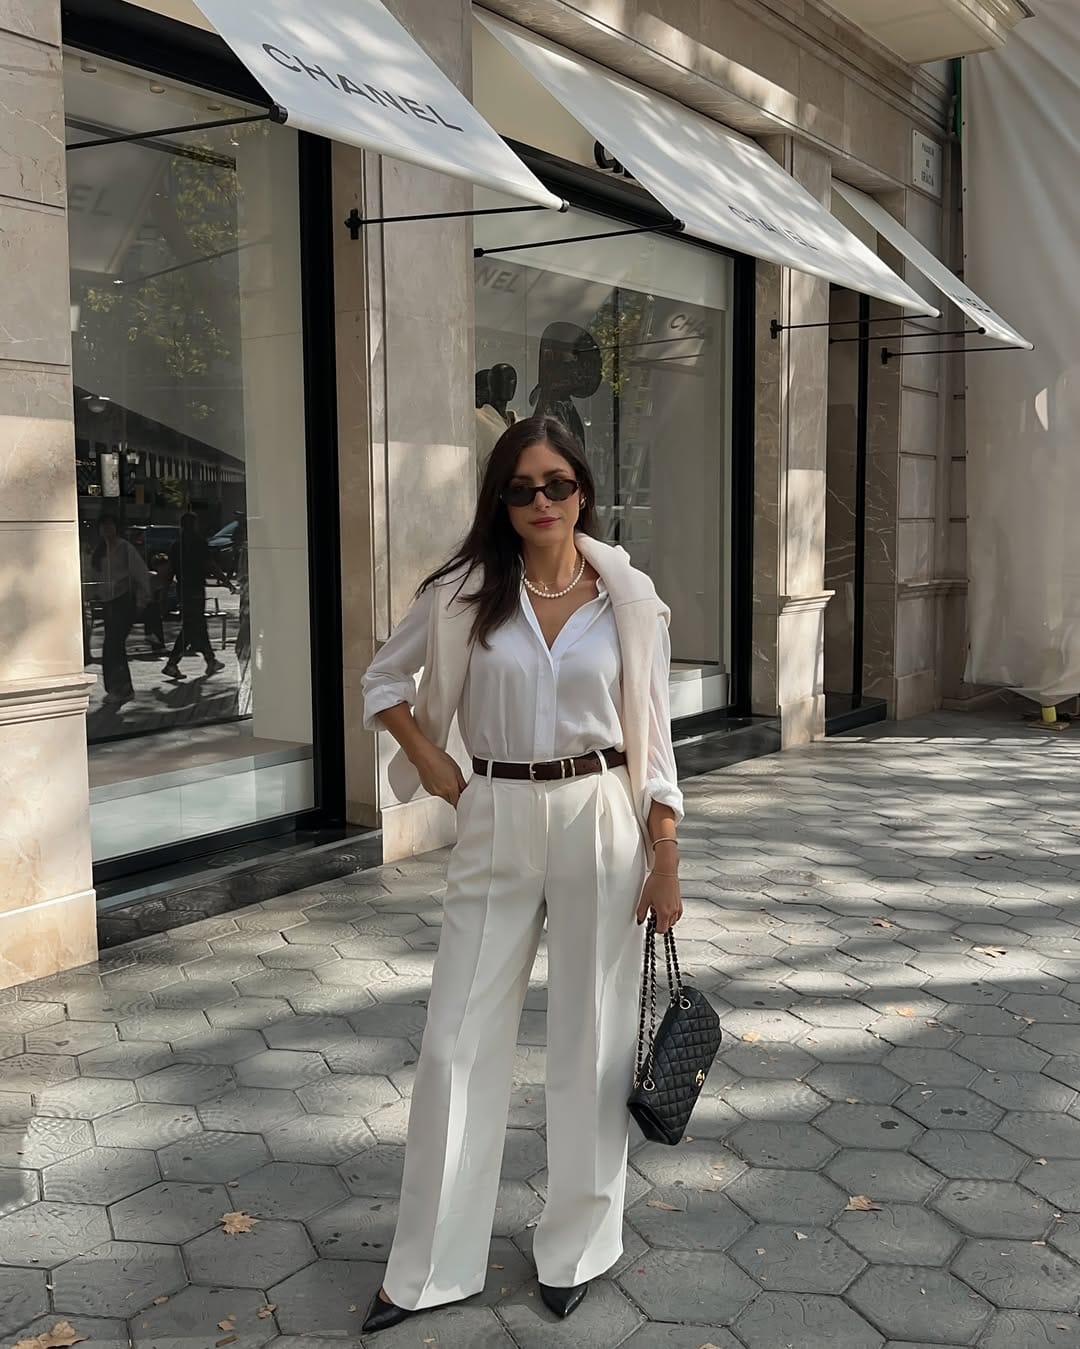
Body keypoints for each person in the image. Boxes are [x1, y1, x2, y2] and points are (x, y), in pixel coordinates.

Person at [359, 415, 684, 1333]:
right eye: (520, 488)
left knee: (593, 1035)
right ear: (500, 502)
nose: (540, 502)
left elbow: (652, 740)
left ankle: (577, 1247)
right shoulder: (465, 593)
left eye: (556, 484)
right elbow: (383, 682)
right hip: (495, 810)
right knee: (455, 1040)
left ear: (583, 488)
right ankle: (427, 1267)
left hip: (598, 815)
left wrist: (666, 853)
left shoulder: (628, 597)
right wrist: (431, 761)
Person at [89, 513, 151, 710]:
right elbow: (93, 577)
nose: (106, 530)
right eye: (103, 526)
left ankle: (122, 688)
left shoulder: (125, 548)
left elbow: (140, 573)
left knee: (113, 644)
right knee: (112, 645)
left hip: (123, 600)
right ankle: (117, 688)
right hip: (108, 602)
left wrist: (143, 599)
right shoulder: (98, 551)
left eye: (110, 525)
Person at [162, 512, 233, 681]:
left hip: (183, 589)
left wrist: (164, 590)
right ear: (194, 525)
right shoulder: (199, 543)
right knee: (192, 626)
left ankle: (210, 659)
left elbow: (170, 570)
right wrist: (225, 580)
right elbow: (210, 564)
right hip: (195, 588)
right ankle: (173, 662)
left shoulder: (176, 545)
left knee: (197, 625)